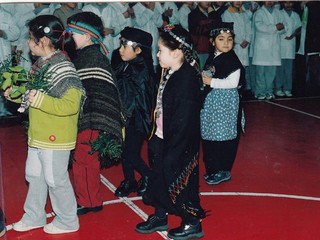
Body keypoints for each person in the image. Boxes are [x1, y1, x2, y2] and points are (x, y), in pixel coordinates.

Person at [4, 15, 84, 234]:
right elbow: (32, 96)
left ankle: (68, 220)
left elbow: (71, 104)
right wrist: (16, 95)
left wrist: (38, 98)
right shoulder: (41, 64)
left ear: (45, 41)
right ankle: (34, 215)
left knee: (55, 179)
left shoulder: (63, 67)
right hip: (39, 134)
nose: (29, 43)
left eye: (32, 38)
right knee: (35, 175)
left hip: (56, 136)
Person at [135, 25, 206, 240]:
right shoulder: (170, 71)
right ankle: (160, 215)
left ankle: (192, 222)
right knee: (158, 177)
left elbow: (184, 121)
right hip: (162, 135)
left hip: (179, 142)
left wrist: (174, 149)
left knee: (179, 182)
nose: (157, 55)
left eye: (160, 50)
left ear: (176, 53)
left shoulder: (186, 79)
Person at [66, 12, 124, 215]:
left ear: (87, 35)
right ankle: (88, 198)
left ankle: (90, 201)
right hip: (87, 116)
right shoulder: (84, 55)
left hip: (92, 117)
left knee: (85, 158)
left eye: (73, 32)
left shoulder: (92, 56)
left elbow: (99, 91)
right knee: (83, 158)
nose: (69, 35)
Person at [110, 27, 155, 198]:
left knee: (130, 152)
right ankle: (130, 180)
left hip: (135, 119)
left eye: (124, 47)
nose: (120, 50)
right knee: (126, 150)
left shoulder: (140, 71)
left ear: (138, 50)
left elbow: (141, 101)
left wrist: (128, 117)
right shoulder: (125, 64)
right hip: (124, 116)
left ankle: (150, 177)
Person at [201, 22, 245, 185]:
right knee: (210, 135)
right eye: (221, 39)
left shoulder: (232, 61)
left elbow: (232, 83)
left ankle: (223, 170)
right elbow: (206, 74)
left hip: (225, 104)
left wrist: (211, 82)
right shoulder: (212, 58)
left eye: (229, 39)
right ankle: (212, 169)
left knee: (223, 137)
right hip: (212, 103)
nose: (226, 43)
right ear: (213, 42)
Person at [252, 1, 286, 100]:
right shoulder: (258, 13)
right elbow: (259, 27)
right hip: (262, 48)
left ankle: (269, 91)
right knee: (260, 73)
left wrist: (280, 28)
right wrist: (275, 27)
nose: (270, 1)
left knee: (271, 73)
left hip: (274, 47)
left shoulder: (278, 12)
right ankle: (260, 92)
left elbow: (283, 27)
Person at [275, 1, 301, 97]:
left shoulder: (295, 15)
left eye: (290, 3)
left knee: (289, 69)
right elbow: (277, 28)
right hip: (280, 44)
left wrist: (292, 35)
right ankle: (278, 88)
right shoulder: (278, 13)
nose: (288, 5)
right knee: (280, 69)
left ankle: (287, 89)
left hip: (291, 45)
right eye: (286, 3)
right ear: (282, 3)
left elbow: (299, 27)